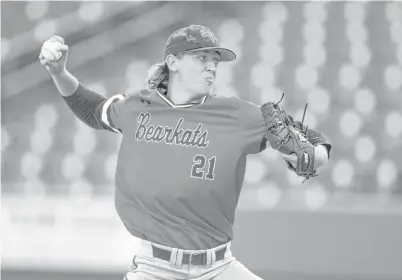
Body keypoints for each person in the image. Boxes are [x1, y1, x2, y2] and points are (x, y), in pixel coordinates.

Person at [39, 24, 332, 280]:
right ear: (173, 62)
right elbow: (93, 110)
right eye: (201, 57)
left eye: (215, 60)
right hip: (155, 267)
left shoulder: (237, 114)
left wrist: (313, 156)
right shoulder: (138, 107)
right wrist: (59, 72)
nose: (212, 66)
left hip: (217, 267)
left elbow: (314, 141)